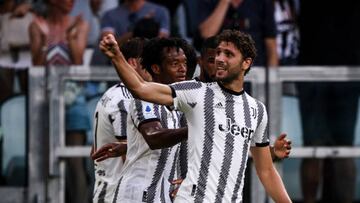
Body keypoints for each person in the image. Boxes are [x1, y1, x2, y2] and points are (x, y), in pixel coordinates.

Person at [99, 29, 291, 202]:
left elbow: (265, 170)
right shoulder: (196, 92)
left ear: (246, 63)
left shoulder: (256, 110)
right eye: (218, 53)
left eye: (229, 54)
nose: (220, 59)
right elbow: (141, 89)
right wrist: (116, 57)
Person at [107, 37, 189, 202]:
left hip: (162, 193)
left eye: (184, 63)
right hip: (136, 193)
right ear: (156, 68)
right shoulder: (145, 100)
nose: (183, 69)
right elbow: (154, 137)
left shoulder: (176, 103)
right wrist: (195, 128)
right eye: (175, 64)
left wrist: (130, 147)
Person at [28, 0, 90, 202]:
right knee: (46, 159)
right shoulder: (36, 25)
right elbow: (36, 64)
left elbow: (78, 61)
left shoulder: (80, 24)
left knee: (75, 161)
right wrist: (45, 39)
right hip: (45, 100)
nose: (70, 2)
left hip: (73, 99)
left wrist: (70, 37)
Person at [91, 37, 151, 203]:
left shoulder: (111, 94)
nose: (153, 67)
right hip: (117, 195)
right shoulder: (124, 100)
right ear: (132, 62)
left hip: (106, 190)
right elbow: (131, 161)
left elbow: (94, 150)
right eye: (148, 61)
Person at [196, 0, 278, 68]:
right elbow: (207, 33)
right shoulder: (209, 2)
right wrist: (224, 2)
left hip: (255, 70)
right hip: (220, 70)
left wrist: (273, 81)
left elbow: (271, 44)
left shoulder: (262, 3)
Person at [90, 0, 170, 65]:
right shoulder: (110, 15)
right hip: (118, 67)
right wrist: (137, 30)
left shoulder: (160, 12)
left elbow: (161, 43)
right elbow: (108, 45)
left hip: (150, 66)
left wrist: (148, 26)